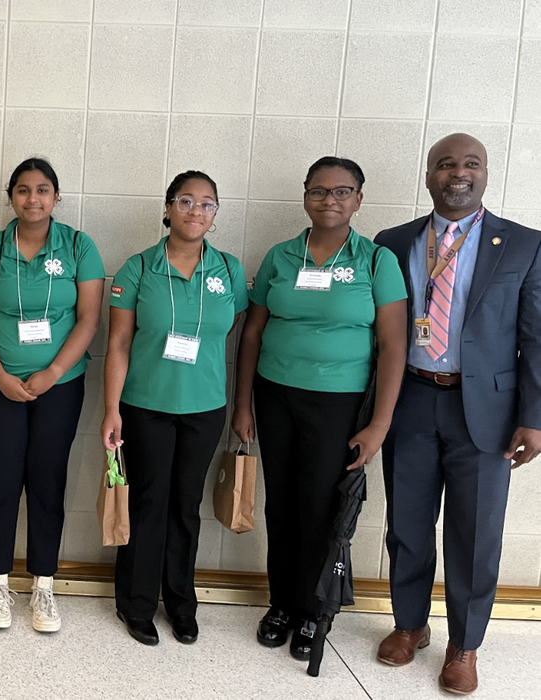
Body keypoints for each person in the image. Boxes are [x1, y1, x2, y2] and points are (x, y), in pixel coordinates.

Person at [373, 133, 541, 696]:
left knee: (476, 533)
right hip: (412, 399)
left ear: (486, 174)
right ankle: (410, 624)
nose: (457, 174)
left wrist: (534, 416)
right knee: (409, 522)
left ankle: (464, 645)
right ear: (428, 176)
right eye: (445, 165)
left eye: (470, 164)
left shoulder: (524, 245)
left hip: (489, 410)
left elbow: (537, 339)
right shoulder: (392, 242)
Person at [232, 157, 408, 660]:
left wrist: (380, 423)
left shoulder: (376, 261)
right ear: (305, 195)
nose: (330, 200)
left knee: (319, 506)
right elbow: (253, 332)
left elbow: (394, 346)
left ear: (359, 198)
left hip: (340, 403)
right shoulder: (281, 256)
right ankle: (282, 603)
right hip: (275, 395)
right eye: (319, 191)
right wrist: (243, 403)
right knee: (281, 504)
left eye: (342, 191)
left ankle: (313, 610)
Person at [102, 171, 247, 646]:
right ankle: (137, 604)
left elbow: (227, 335)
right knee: (147, 503)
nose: (196, 212)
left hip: (204, 408)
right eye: (186, 201)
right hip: (145, 406)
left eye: (208, 204)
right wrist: (111, 409)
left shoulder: (227, 270)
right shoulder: (138, 268)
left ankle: (181, 603)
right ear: (167, 208)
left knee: (186, 506)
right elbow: (119, 343)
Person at [0, 157, 105, 633]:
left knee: (48, 481)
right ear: (11, 197)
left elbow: (88, 318)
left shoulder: (80, 247)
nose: (33, 199)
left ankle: (44, 586)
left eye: (43, 190)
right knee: (1, 479)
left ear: (56, 197)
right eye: (23, 190)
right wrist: (1, 376)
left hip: (59, 386)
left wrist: (54, 370)